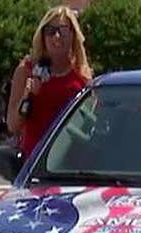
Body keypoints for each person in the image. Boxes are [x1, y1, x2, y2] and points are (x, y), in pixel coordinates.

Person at [6, 6, 92, 158]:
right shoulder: (26, 71)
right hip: (35, 162)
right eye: (50, 31)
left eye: (63, 30)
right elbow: (13, 125)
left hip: (72, 163)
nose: (56, 37)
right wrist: (28, 95)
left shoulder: (82, 77)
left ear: (73, 35)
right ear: (42, 36)